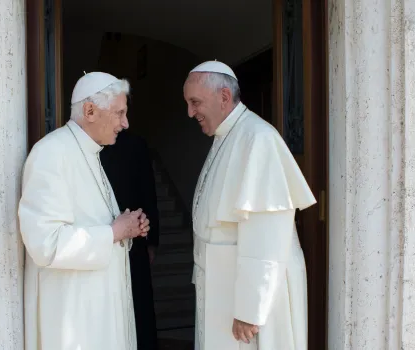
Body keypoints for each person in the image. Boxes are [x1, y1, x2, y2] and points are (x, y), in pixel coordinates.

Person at [183, 61, 317, 350]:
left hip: (251, 298)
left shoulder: (258, 138)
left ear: (223, 97)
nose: (190, 112)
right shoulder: (227, 136)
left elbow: (266, 233)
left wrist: (249, 309)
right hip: (223, 283)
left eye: (195, 103)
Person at [18, 72, 150, 350]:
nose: (125, 124)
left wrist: (127, 228)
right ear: (90, 110)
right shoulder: (51, 153)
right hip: (74, 318)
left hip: (96, 312)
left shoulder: (89, 153)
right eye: (119, 113)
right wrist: (114, 232)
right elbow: (46, 244)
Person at [101, 130, 160, 350]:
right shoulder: (81, 149)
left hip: (135, 241)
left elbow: (148, 191)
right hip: (100, 243)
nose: (124, 121)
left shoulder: (136, 144)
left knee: (139, 307)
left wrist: (151, 240)